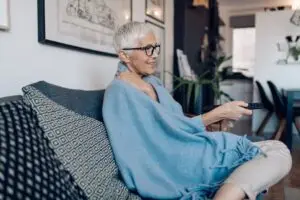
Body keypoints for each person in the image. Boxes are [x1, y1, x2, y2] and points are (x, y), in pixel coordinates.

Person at [102, 21, 292, 200]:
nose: (154, 55)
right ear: (124, 55)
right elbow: (161, 139)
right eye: (147, 49)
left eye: (156, 48)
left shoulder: (152, 82)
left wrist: (215, 121)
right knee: (277, 152)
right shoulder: (119, 92)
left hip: (191, 149)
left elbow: (176, 122)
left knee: (276, 150)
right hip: (179, 163)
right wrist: (218, 113)